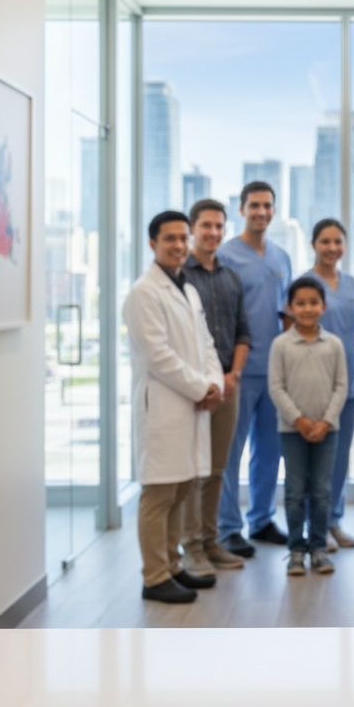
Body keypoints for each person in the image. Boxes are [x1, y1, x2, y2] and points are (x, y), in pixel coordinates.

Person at [123, 210, 223, 604]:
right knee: (160, 493)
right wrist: (202, 388)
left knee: (183, 488)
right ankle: (154, 575)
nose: (179, 246)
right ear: (152, 243)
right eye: (170, 239)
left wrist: (212, 383)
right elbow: (158, 357)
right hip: (164, 405)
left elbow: (206, 344)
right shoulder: (143, 293)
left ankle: (173, 565)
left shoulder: (189, 289)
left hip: (191, 403)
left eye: (184, 238)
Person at [217, 180, 292, 557]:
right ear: (242, 209)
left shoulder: (281, 257)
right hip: (240, 369)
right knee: (230, 451)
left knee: (270, 450)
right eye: (254, 206)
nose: (261, 212)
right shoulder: (227, 256)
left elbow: (289, 312)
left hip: (275, 371)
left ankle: (261, 519)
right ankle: (228, 527)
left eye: (267, 206)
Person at [178, 199, 250, 579]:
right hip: (192, 389)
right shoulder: (179, 277)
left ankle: (210, 540)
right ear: (193, 229)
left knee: (217, 468)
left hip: (227, 385)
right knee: (193, 470)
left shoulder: (230, 277)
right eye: (206, 226)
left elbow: (243, 332)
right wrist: (201, 383)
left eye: (219, 227)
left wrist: (233, 376)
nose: (213, 233)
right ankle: (190, 547)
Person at [268, 276, 347, 576]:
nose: (307, 308)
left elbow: (342, 386)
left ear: (323, 306)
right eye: (300, 303)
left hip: (328, 430)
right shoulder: (281, 345)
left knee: (322, 491)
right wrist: (299, 420)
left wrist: (326, 421)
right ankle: (296, 550)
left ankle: (318, 548)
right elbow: (276, 388)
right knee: (295, 490)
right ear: (290, 307)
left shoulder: (335, 344)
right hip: (292, 431)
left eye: (313, 302)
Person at [302, 218, 354, 550]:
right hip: (312, 384)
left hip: (348, 383)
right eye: (325, 241)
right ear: (314, 245)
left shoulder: (353, 286)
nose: (331, 248)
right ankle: (315, 527)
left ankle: (333, 521)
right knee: (315, 461)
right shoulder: (304, 284)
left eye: (337, 241)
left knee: (339, 458)